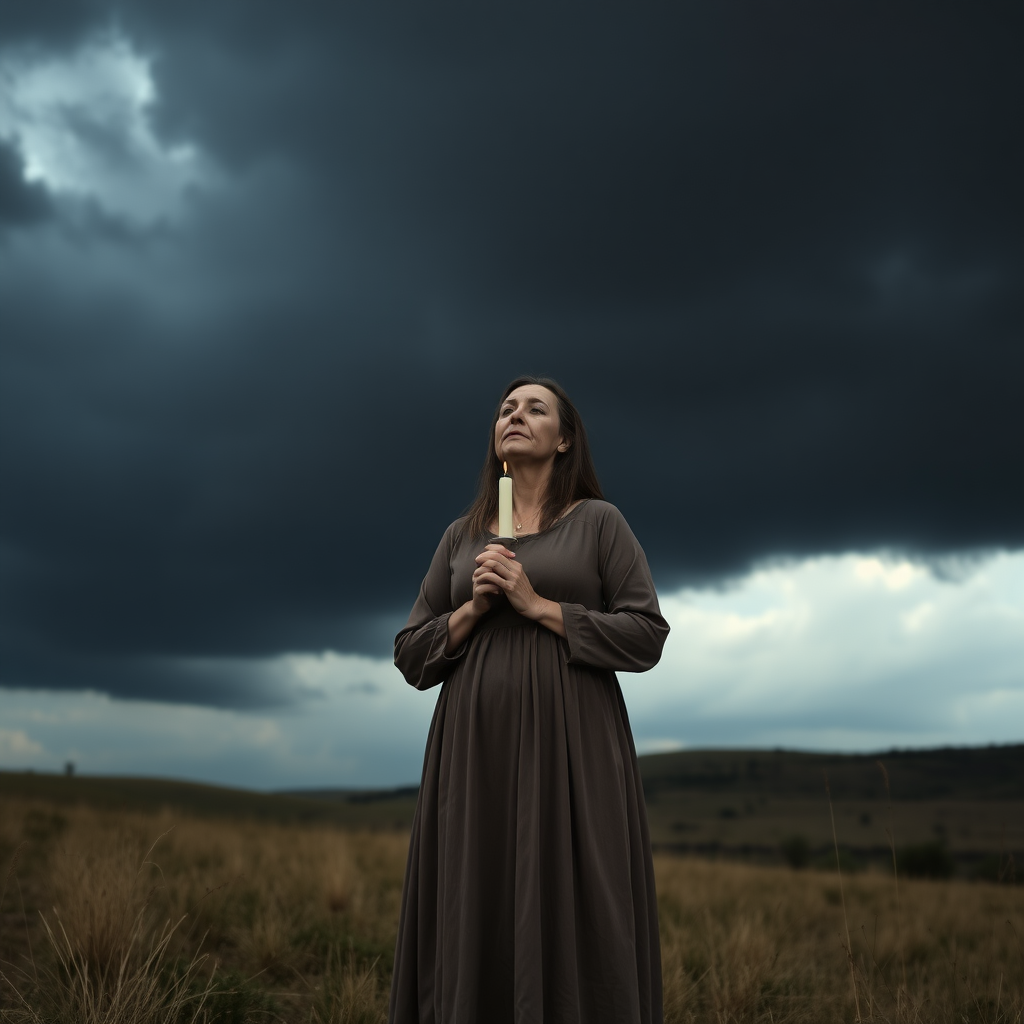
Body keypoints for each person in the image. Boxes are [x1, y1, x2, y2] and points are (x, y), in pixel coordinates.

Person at [389, 376, 670, 1024]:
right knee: (476, 895)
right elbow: (410, 652)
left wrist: (535, 604)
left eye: (535, 408)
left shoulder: (599, 523)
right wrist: (474, 608)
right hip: (474, 749)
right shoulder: (462, 536)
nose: (516, 415)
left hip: (574, 747)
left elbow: (647, 635)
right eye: (506, 409)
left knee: (574, 891)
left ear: (564, 438)